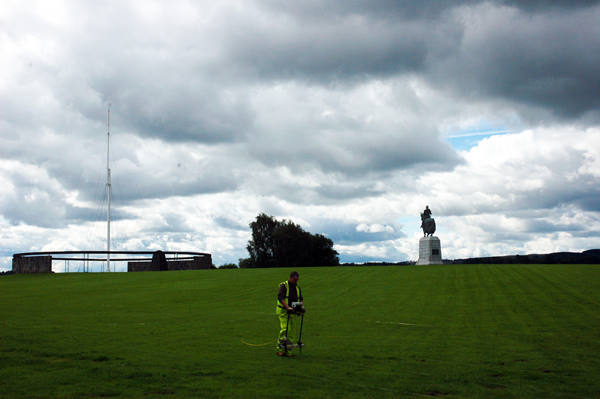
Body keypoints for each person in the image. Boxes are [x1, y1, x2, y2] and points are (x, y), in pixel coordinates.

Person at [276, 271, 306, 356]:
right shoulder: (283, 286)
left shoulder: (297, 287)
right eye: (294, 280)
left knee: (292, 332)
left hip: (292, 312)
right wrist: (287, 307)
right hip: (283, 312)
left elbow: (301, 298)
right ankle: (280, 349)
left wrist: (302, 307)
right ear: (290, 278)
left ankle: (288, 351)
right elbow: (280, 297)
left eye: (297, 280)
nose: (296, 281)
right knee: (285, 329)